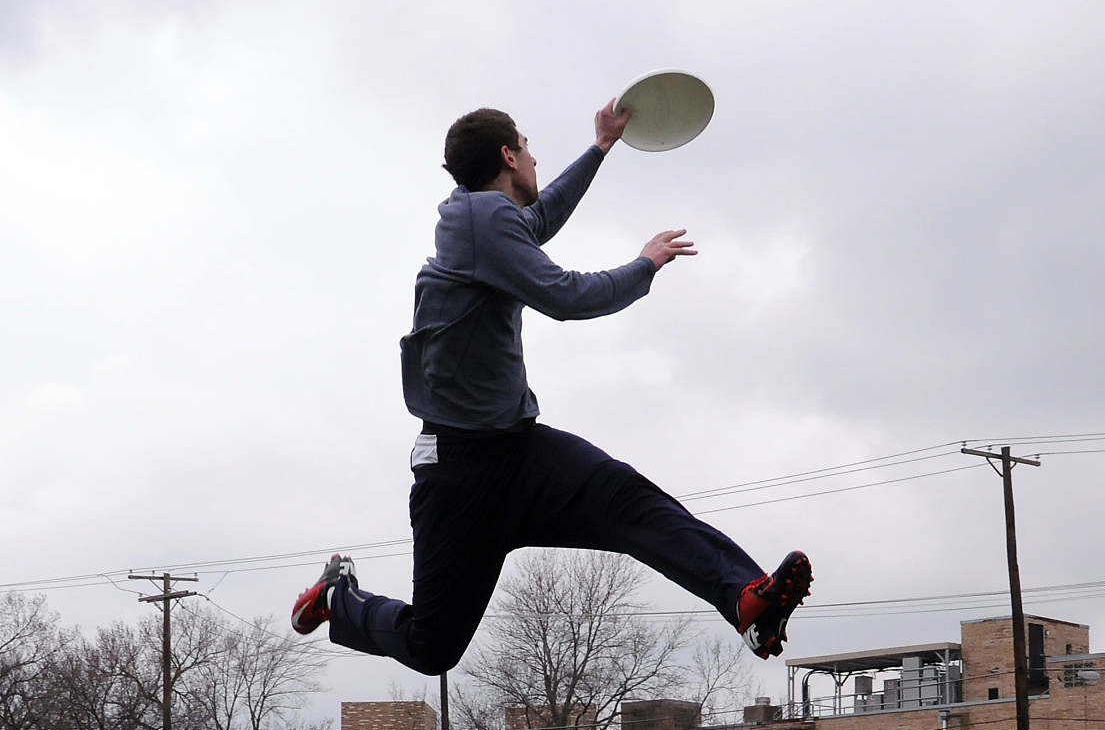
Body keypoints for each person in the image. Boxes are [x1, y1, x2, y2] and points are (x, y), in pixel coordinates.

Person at [288, 103, 811, 670]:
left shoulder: (485, 222)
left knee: (631, 503)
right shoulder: (482, 221)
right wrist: (643, 266)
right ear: (509, 156)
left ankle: (745, 599)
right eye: (527, 145)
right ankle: (340, 602)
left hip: (517, 452)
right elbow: (565, 296)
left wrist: (601, 148)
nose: (535, 156)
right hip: (458, 475)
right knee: (432, 647)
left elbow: (543, 214)